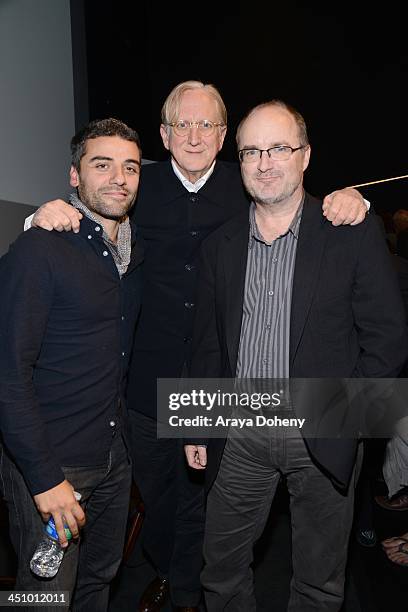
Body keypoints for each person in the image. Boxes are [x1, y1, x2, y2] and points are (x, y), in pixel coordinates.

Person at [27, 81, 369, 612]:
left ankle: (187, 591)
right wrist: (41, 215)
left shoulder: (252, 182)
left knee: (208, 505)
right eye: (181, 124)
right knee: (158, 499)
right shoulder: (137, 185)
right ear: (164, 134)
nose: (193, 134)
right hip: (146, 380)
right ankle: (167, 568)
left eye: (206, 124)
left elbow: (309, 211)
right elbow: (89, 210)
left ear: (223, 134)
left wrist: (353, 199)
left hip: (223, 382)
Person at [185, 100, 407, 611]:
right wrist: (196, 424)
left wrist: (347, 420)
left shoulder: (350, 232)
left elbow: (389, 339)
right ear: (238, 162)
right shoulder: (220, 246)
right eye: (250, 151)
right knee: (219, 573)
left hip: (323, 432)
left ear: (305, 156)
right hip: (236, 431)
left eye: (278, 148)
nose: (265, 162)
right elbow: (206, 344)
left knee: (319, 583)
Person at [0, 118, 143, 611]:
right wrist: (43, 478)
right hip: (54, 466)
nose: (118, 178)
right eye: (101, 165)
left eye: (129, 167)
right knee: (43, 597)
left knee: (98, 582)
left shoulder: (130, 258)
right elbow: (7, 373)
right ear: (75, 176)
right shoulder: (41, 249)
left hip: (112, 457)